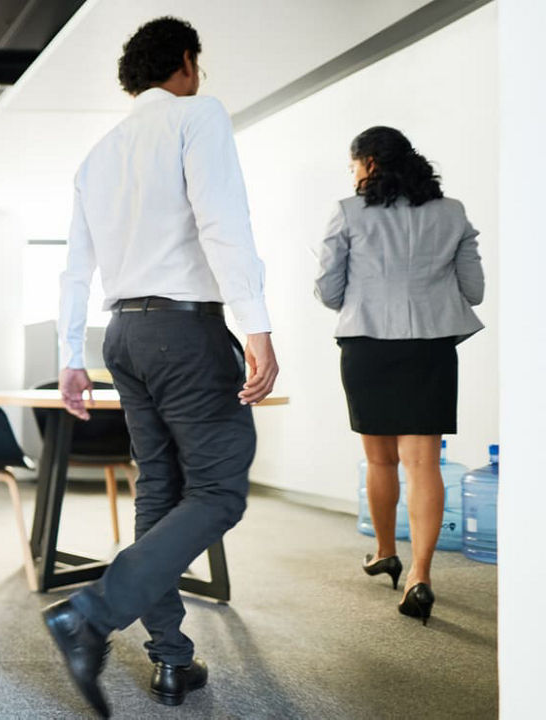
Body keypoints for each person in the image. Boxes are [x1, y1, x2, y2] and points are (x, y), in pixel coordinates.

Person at [43, 17, 278, 717]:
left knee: (160, 489)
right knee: (219, 490)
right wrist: (257, 325)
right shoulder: (196, 116)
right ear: (185, 62)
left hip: (123, 336)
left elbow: (74, 268)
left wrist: (69, 356)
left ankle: (172, 660)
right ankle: (91, 614)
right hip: (184, 330)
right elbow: (222, 221)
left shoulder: (99, 155)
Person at [315, 126, 484, 626]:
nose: (353, 175)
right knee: (423, 463)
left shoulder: (348, 212)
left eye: (353, 165)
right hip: (431, 346)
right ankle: (419, 575)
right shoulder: (451, 212)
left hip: (368, 344)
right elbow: (474, 290)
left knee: (379, 459)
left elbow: (328, 291)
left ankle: (385, 551)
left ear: (368, 163)